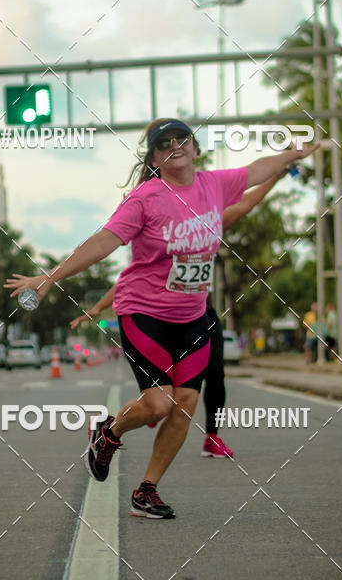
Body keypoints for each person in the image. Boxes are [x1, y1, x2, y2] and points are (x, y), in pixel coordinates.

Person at [5, 117, 318, 519]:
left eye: (181, 139)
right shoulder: (145, 199)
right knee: (158, 404)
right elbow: (102, 242)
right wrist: (49, 277)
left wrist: (294, 154)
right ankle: (108, 433)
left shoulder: (214, 185)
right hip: (144, 312)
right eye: (163, 143)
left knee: (185, 403)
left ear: (195, 148)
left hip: (193, 316)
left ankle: (147, 490)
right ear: (154, 159)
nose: (175, 146)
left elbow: (258, 169)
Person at [69, 172, 286, 459]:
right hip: (157, 315)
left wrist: (276, 176)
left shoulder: (208, 224)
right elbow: (125, 280)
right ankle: (129, 419)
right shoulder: (160, 235)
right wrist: (98, 307)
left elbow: (246, 203)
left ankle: (212, 437)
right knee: (163, 395)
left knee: (216, 373)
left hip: (198, 312)